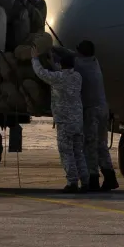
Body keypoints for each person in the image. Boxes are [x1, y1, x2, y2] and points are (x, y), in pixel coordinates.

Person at [32, 50, 87, 193]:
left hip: (64, 122)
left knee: (66, 152)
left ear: (62, 66)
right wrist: (54, 64)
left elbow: (41, 73)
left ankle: (72, 182)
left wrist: (35, 59)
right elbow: (63, 74)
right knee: (78, 152)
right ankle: (85, 181)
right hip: (77, 122)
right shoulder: (77, 77)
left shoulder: (58, 78)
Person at [73, 40, 118, 192]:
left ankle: (93, 179)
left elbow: (66, 64)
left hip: (91, 110)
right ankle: (110, 176)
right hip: (103, 108)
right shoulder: (94, 62)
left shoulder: (79, 66)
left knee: (89, 146)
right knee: (101, 145)